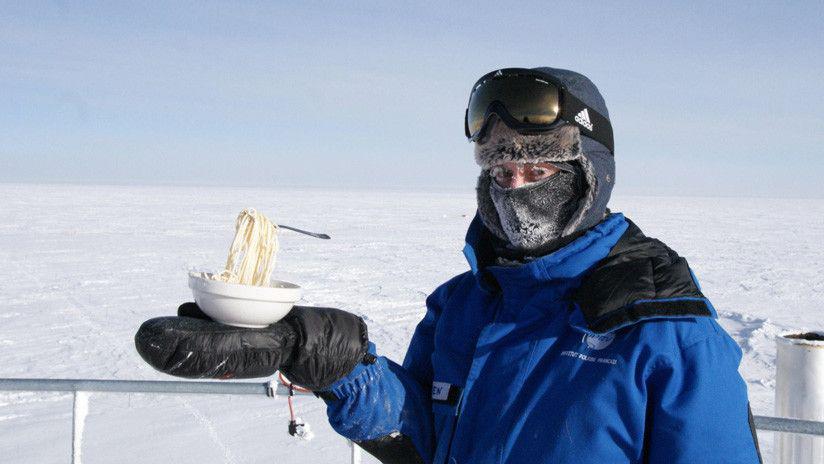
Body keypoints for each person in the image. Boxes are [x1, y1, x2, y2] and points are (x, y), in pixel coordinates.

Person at [136, 66, 763, 463]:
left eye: (538, 167)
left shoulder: (665, 334)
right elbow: (425, 440)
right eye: (498, 168)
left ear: (591, 177)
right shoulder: (462, 304)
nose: (514, 184)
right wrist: (331, 360)